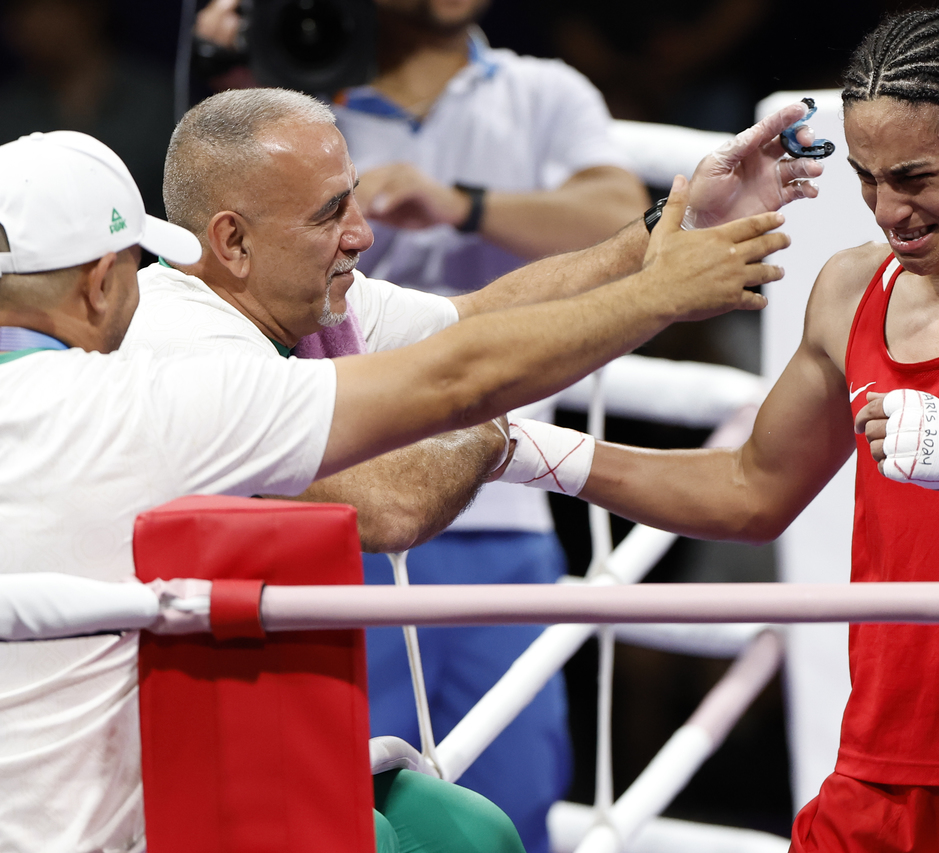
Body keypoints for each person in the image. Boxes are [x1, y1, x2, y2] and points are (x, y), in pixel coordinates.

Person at [509, 8, 939, 850]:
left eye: (914, 177)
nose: (888, 210)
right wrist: (537, 453)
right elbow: (751, 489)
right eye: (867, 177)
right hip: (877, 773)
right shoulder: (852, 289)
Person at [0, 129, 788, 853]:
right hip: (102, 821)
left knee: (462, 829)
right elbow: (406, 467)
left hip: (144, 764)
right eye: (137, 265)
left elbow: (472, 323)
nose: (362, 233)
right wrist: (655, 299)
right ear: (101, 283)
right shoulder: (146, 394)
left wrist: (666, 233)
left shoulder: (251, 322)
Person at [331, 4, 649, 844]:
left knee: (512, 808)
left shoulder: (543, 92)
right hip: (340, 509)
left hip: (500, 501)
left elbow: (622, 215)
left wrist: (459, 204)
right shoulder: (299, 107)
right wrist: (222, 66)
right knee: (342, 807)